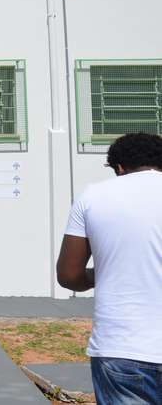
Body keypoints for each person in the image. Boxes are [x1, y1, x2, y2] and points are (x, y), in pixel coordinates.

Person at [56, 133, 162, 404]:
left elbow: (69, 275)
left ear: (120, 168)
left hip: (123, 348)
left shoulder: (93, 196)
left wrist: (98, 274)